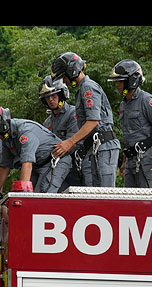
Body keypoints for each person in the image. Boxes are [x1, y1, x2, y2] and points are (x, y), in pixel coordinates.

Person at [0, 105, 73, 207]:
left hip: (55, 161)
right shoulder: (7, 139)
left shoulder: (25, 132)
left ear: (1, 127)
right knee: (28, 198)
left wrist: (22, 197)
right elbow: (4, 167)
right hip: (38, 166)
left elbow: (27, 164)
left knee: (39, 199)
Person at [50, 52, 121, 188]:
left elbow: (93, 121)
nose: (64, 81)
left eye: (64, 76)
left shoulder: (88, 87)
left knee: (105, 195)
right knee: (96, 196)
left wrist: (70, 142)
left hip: (103, 147)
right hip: (95, 148)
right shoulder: (82, 89)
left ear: (72, 72)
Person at [107, 59, 152, 188]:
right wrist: (124, 162)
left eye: (120, 81)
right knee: (131, 201)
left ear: (131, 80)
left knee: (149, 199)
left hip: (147, 158)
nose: (117, 84)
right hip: (130, 159)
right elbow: (128, 135)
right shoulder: (124, 103)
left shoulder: (147, 100)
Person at [39, 74, 87, 188]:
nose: (50, 99)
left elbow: (74, 144)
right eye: (47, 97)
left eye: (54, 95)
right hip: (56, 168)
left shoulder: (74, 114)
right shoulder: (47, 122)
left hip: (78, 167)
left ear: (61, 94)